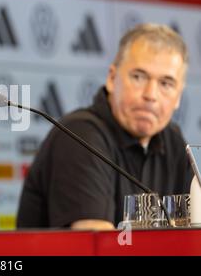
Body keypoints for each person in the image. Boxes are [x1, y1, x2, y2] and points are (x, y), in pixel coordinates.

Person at [17, 23, 192, 230]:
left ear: (179, 96)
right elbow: (97, 243)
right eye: (138, 77)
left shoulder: (173, 140)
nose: (150, 95)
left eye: (166, 83)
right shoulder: (80, 134)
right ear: (111, 78)